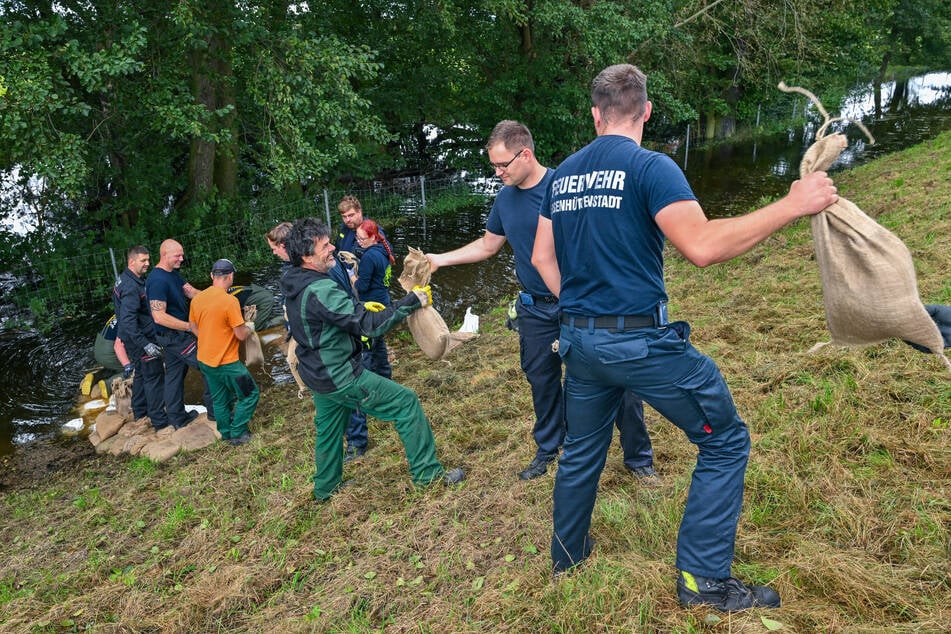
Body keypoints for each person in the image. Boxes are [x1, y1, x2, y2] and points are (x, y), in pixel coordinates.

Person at [530, 64, 838, 611]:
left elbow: (541, 258)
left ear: (596, 115)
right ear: (646, 111)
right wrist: (793, 203)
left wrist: (580, 310)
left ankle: (566, 556)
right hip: (639, 345)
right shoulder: (652, 168)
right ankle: (703, 582)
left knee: (580, 451)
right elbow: (702, 246)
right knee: (725, 442)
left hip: (578, 342)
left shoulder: (561, 177)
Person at [426, 120, 659, 483]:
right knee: (542, 380)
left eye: (503, 165)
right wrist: (440, 259)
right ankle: (550, 447)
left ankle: (638, 457)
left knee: (616, 377)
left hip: (580, 303)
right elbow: (488, 245)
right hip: (535, 308)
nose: (497, 173)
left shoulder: (564, 187)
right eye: (494, 166)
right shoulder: (504, 199)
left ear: (526, 154)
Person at [281, 217, 464, 501]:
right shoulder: (321, 288)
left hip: (317, 374)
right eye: (325, 245)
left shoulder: (294, 281)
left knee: (328, 432)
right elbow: (368, 325)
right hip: (340, 375)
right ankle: (429, 477)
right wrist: (410, 302)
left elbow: (322, 318)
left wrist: (358, 307)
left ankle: (325, 489)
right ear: (306, 255)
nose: (333, 248)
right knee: (406, 403)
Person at [343, 219, 397, 462]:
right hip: (383, 300)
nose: (358, 242)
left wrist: (353, 276)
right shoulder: (383, 252)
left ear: (374, 237)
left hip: (371, 307)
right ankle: (386, 383)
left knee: (365, 352)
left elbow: (362, 285)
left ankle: (371, 394)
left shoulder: (368, 258)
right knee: (379, 348)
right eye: (357, 239)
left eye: (362, 239)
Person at [189, 259, 259, 445]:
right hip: (227, 363)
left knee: (220, 399)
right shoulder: (230, 301)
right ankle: (238, 432)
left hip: (205, 360)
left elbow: (193, 327)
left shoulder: (198, 299)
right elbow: (241, 335)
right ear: (231, 277)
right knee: (250, 393)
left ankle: (226, 433)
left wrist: (209, 338)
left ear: (212, 276)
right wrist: (250, 325)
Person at [146, 239, 215, 429]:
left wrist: (216, 297)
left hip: (174, 336)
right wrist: (189, 327)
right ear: (165, 255)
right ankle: (215, 413)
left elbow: (190, 291)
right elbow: (158, 316)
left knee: (175, 374)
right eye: (178, 256)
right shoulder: (157, 281)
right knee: (208, 364)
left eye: (182, 255)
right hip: (174, 335)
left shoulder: (172, 274)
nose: (182, 259)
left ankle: (177, 418)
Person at [113, 245, 169, 431]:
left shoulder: (126, 279)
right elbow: (128, 320)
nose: (147, 264)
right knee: (154, 376)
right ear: (131, 261)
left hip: (132, 339)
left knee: (142, 375)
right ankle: (160, 421)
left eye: (148, 259)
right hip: (140, 339)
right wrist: (145, 344)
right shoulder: (131, 287)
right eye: (143, 261)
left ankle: (140, 413)